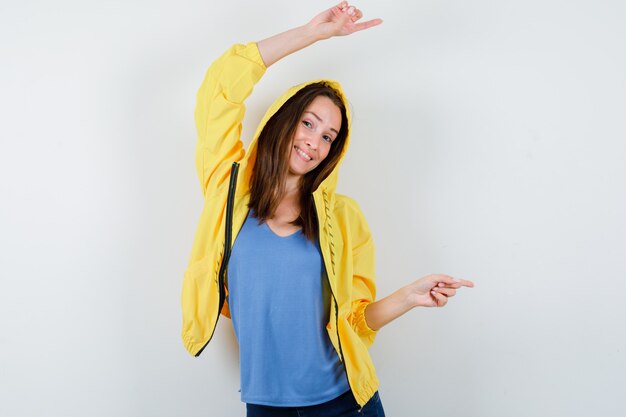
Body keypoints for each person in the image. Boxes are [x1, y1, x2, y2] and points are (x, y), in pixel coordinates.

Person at [181, 2, 475, 416]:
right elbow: (218, 90)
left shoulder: (342, 217)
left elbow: (354, 321)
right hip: (264, 404)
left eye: (329, 136)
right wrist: (310, 34)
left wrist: (408, 297)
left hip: (344, 403)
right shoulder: (228, 194)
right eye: (308, 123)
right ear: (284, 120)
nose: (314, 142)